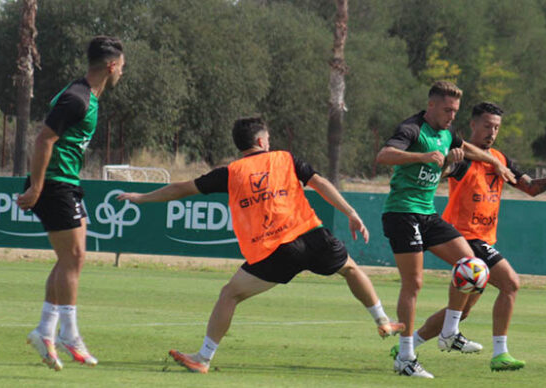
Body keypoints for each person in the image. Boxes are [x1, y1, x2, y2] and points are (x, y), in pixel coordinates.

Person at [118, 116, 405, 374]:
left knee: (229, 295)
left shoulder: (230, 173)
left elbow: (180, 188)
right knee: (351, 270)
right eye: (267, 138)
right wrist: (351, 213)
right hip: (312, 236)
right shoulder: (285, 158)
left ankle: (204, 358)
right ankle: (382, 320)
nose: (269, 141)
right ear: (260, 141)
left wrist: (142, 198)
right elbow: (320, 183)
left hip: (275, 251)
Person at [404, 102, 546, 371]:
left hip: (485, 239)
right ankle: (500, 353)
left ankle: (409, 345)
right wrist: (445, 163)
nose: (492, 132)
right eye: (487, 126)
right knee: (511, 284)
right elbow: (442, 172)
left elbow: (530, 188)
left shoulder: (501, 158)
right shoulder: (464, 158)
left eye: (496, 127)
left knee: (463, 311)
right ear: (472, 125)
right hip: (464, 237)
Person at [375, 81, 516, 378]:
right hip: (402, 213)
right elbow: (384, 155)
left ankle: (450, 332)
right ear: (432, 106)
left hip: (427, 214)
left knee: (474, 267)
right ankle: (405, 356)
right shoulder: (412, 129)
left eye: (456, 111)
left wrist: (489, 161)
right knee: (414, 284)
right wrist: (422, 156)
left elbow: (465, 150)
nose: (452, 116)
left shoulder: (448, 133)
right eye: (448, 110)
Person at [16, 36, 125, 371]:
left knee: (70, 259)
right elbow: (44, 138)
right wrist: (36, 186)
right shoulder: (77, 98)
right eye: (122, 65)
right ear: (111, 66)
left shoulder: (86, 94)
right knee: (74, 257)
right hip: (55, 185)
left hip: (67, 184)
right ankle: (69, 333)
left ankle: (46, 330)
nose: (123, 71)